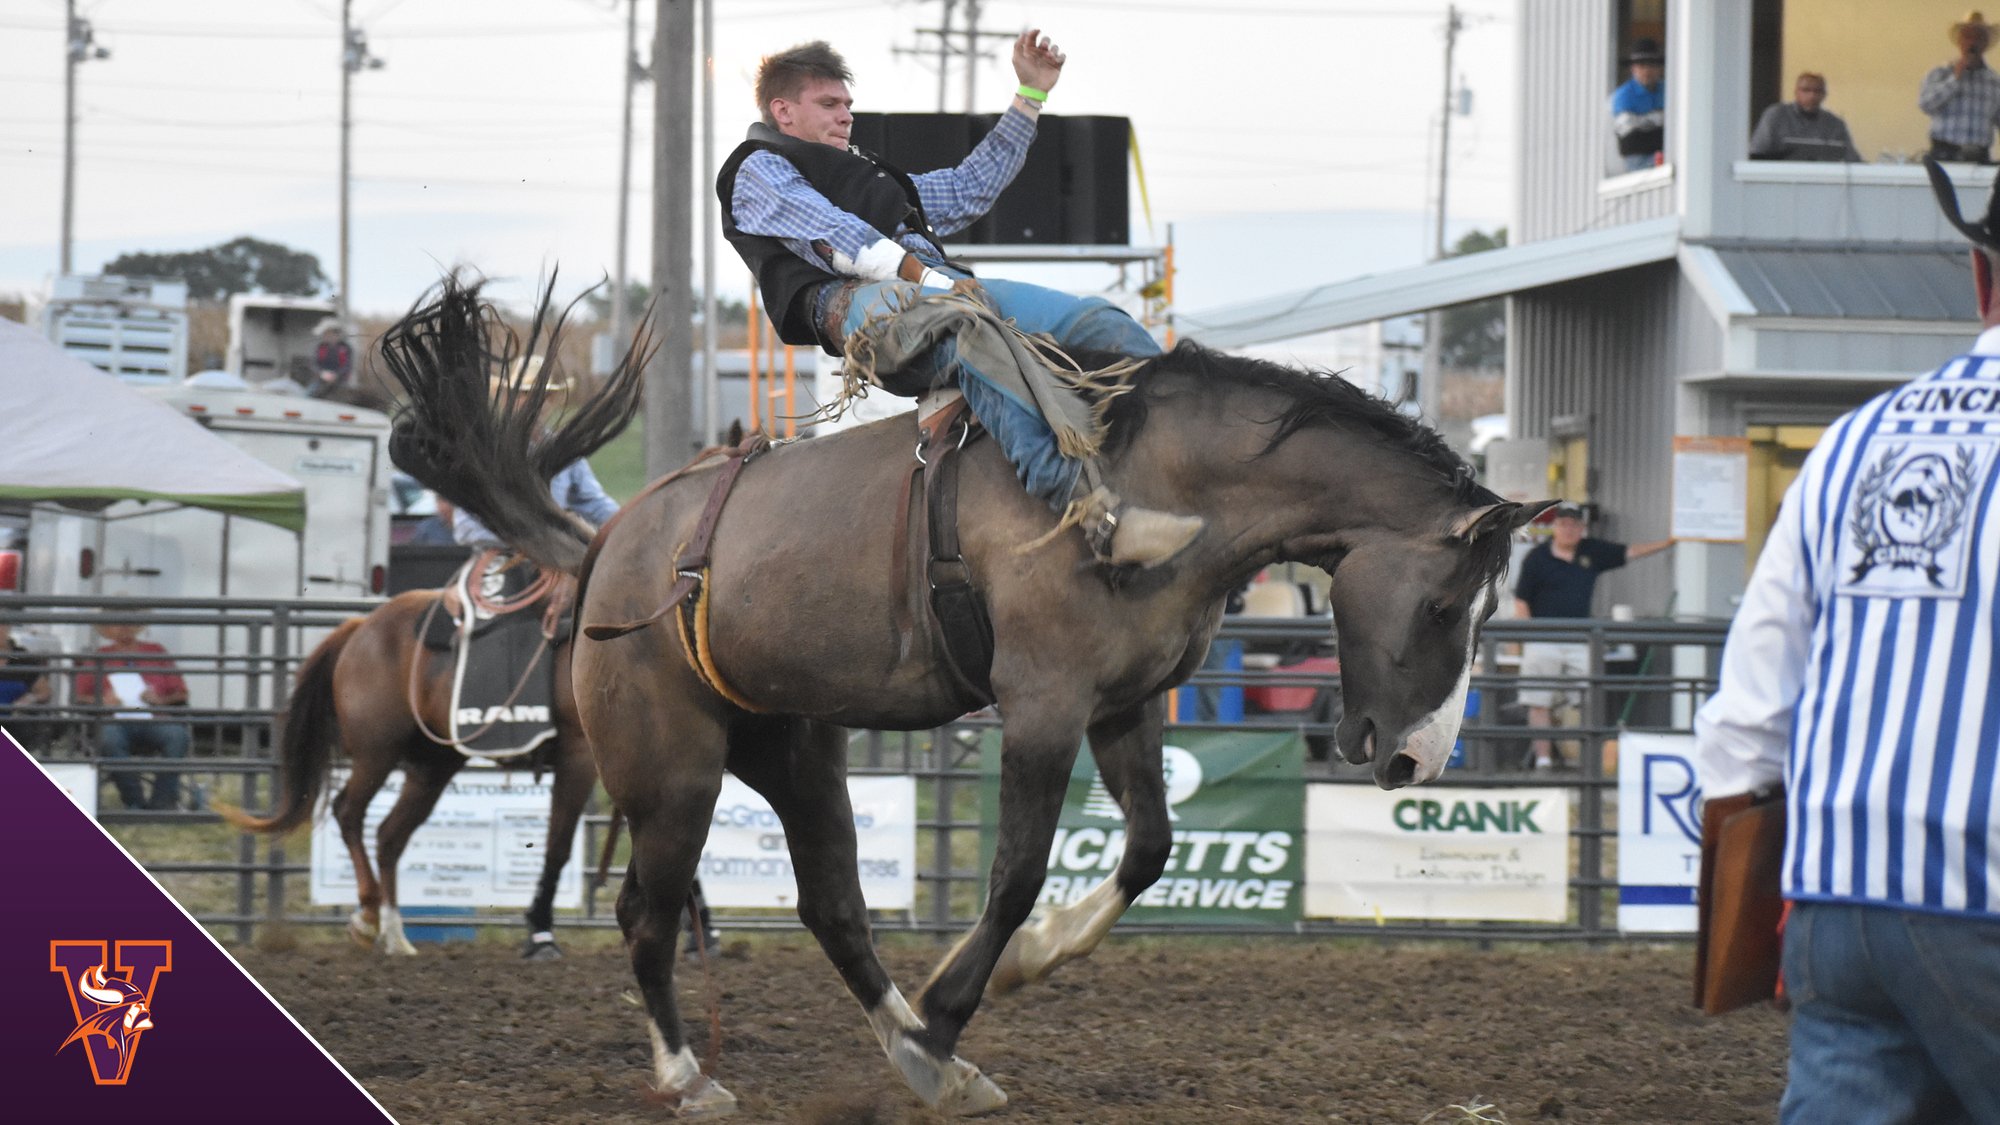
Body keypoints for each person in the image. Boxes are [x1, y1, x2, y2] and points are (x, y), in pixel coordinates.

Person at [1691, 158, 2000, 1123]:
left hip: (1838, 897)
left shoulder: (1854, 440)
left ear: (1981, 272)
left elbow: (1751, 703)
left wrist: (1754, 897)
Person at [718, 35, 1203, 569]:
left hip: (939, 289)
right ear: (782, 110)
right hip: (854, 306)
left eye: (848, 105)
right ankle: (1090, 510)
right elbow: (835, 235)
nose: (846, 117)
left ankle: (1175, 463)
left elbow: (969, 187)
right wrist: (933, 281)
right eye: (829, 105)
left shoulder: (869, 176)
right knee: (969, 329)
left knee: (1097, 321)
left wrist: (1029, 96)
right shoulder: (757, 167)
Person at [1512, 503, 1673, 770]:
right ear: (1555, 528)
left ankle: (1587, 760)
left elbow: (1629, 552)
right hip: (1543, 638)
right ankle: (1543, 760)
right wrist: (1525, 638)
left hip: (1580, 639)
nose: (1569, 530)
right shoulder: (1536, 558)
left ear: (1582, 529)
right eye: (1564, 524)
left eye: (1575, 525)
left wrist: (1668, 543)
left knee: (1588, 698)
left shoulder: (1591, 551)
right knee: (1537, 701)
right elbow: (1521, 602)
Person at [73, 618, 192, 811]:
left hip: (154, 717)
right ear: (107, 629)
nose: (124, 627)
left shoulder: (156, 652)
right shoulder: (99, 656)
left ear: (137, 626)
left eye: (129, 622)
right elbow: (79, 697)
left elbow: (182, 693)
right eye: (118, 622)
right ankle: (134, 800)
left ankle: (161, 802)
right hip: (114, 719)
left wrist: (159, 700)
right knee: (109, 739)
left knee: (177, 736)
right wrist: (103, 702)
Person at [1920, 10, 2000, 164]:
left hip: (1979, 158)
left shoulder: (1994, 81)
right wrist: (1955, 78)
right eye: (1967, 36)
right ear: (1959, 41)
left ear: (1985, 44)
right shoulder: (1939, 74)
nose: (1972, 42)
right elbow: (1926, 105)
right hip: (1945, 154)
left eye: (1978, 37)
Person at [1749, 72, 1861, 162]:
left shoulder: (1835, 124)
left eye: (1817, 91)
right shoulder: (1776, 115)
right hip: (1781, 180)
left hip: (1822, 182)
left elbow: (1852, 160)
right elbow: (1757, 152)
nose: (1812, 95)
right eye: (1806, 90)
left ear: (1824, 95)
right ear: (1796, 92)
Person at [1611, 38, 1666, 172]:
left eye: (1652, 65)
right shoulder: (1623, 96)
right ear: (1633, 69)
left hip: (1664, 153)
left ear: (1659, 68)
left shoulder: (1668, 90)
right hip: (1637, 159)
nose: (1647, 71)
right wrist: (1659, 120)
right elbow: (1630, 138)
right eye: (1642, 66)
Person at [0, 621, 52, 746]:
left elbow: (45, 692)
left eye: (2, 624)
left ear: (8, 627)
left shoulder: (23, 658)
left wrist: (30, 698)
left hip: (13, 723)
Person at [310, 318, 352, 399]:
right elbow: (314, 364)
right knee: (309, 394)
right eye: (325, 334)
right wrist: (321, 373)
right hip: (321, 381)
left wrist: (336, 375)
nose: (326, 336)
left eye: (329, 333)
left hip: (340, 382)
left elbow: (347, 366)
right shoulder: (321, 347)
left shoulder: (346, 348)